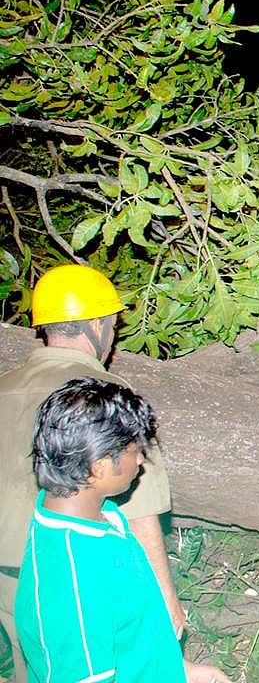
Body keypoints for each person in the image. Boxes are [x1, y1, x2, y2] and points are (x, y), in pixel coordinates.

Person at [0, 264, 184, 683]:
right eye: (114, 324)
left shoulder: (3, 385)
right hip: (80, 572)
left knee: (35, 665)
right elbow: (141, 511)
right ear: (97, 325)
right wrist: (165, 599)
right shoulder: (102, 398)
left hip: (16, 573)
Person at [14, 377, 230, 683]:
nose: (141, 460)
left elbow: (126, 634)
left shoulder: (101, 517)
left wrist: (178, 672)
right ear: (99, 467)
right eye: (133, 451)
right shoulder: (70, 585)